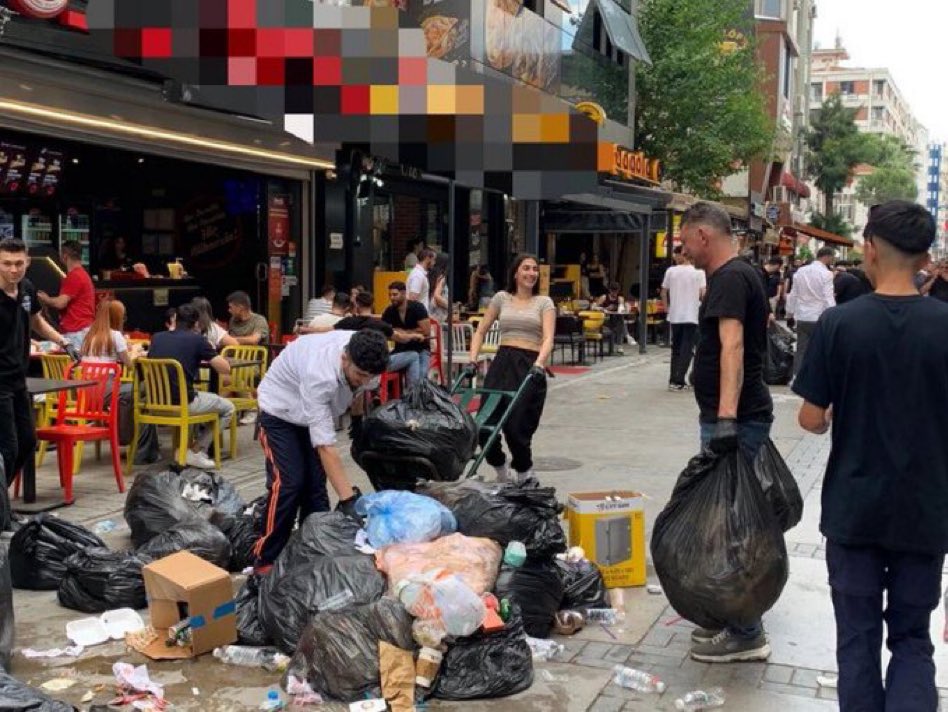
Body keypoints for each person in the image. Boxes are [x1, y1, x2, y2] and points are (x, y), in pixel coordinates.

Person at [792, 201, 948, 712]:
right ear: (925, 255)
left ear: (872, 248)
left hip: (854, 510)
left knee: (855, 643)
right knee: (912, 640)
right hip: (925, 513)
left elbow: (811, 419)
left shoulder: (840, 324)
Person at [680, 202, 773, 663]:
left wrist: (726, 420)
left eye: (683, 242)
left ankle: (746, 631)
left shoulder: (730, 278)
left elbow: (732, 346)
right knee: (729, 520)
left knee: (729, 524)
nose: (683, 251)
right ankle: (735, 617)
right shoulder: (741, 274)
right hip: (741, 415)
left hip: (735, 419)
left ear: (702, 235)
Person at [252, 329, 389, 571]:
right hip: (280, 410)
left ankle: (311, 549)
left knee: (315, 487)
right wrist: (349, 500)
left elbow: (360, 391)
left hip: (315, 413)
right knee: (289, 482)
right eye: (360, 374)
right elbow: (325, 445)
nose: (365, 380)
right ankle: (266, 557)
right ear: (344, 358)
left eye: (370, 376)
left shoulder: (368, 361)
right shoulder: (320, 374)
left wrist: (357, 423)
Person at [0, 238, 75, 524]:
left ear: (28, 262)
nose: (13, 270)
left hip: (19, 379)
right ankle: (2, 509)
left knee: (28, 441)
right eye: (6, 263)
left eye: (19, 263)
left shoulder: (27, 289)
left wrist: (63, 341)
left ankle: (1, 502)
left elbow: (36, 322)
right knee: (8, 447)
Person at [469, 254, 554, 485]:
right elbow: (480, 330)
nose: (531, 273)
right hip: (502, 363)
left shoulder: (544, 303)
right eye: (526, 268)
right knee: (484, 426)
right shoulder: (501, 298)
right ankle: (500, 467)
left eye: (535, 269)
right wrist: (472, 359)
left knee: (516, 427)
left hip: (529, 366)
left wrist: (539, 363)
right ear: (515, 273)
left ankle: (525, 471)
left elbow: (548, 338)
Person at [148, 304, 234, 470]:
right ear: (196, 324)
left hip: (156, 406)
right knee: (228, 407)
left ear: (175, 320)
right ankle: (196, 450)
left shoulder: (157, 338)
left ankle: (186, 449)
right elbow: (225, 368)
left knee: (197, 395)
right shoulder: (197, 340)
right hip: (183, 404)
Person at [661, 246, 707, 391]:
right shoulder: (699, 272)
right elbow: (703, 294)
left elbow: (664, 291)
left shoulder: (671, 271)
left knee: (676, 347)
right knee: (687, 348)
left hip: (675, 315)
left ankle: (672, 379)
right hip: (692, 315)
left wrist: (667, 307)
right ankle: (679, 380)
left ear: (682, 255)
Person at [786, 247, 836, 377]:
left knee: (801, 348)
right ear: (827, 257)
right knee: (820, 348)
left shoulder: (800, 271)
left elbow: (793, 294)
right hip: (819, 316)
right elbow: (828, 298)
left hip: (802, 315)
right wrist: (834, 316)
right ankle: (815, 377)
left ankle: (797, 376)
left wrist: (789, 313)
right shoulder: (826, 274)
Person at [37, 239, 95, 350]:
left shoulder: (74, 276)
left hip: (76, 331)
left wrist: (46, 299)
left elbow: (60, 303)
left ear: (64, 256)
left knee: (72, 365)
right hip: (83, 329)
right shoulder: (83, 274)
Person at [382, 281, 430, 387]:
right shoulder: (389, 311)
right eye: (390, 295)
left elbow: (426, 331)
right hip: (401, 349)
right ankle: (405, 397)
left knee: (421, 377)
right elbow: (384, 331)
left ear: (403, 293)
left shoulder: (417, 307)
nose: (392, 298)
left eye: (395, 294)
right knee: (384, 368)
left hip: (421, 348)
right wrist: (411, 332)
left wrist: (402, 332)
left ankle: (415, 399)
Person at [80, 299, 142, 367]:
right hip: (106, 376)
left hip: (85, 375)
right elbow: (127, 363)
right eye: (123, 317)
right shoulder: (116, 335)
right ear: (116, 318)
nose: (123, 321)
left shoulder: (88, 333)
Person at [428, 252, 451, 324]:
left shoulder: (431, 275)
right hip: (438, 313)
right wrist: (450, 306)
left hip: (431, 311)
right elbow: (437, 296)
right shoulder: (441, 278)